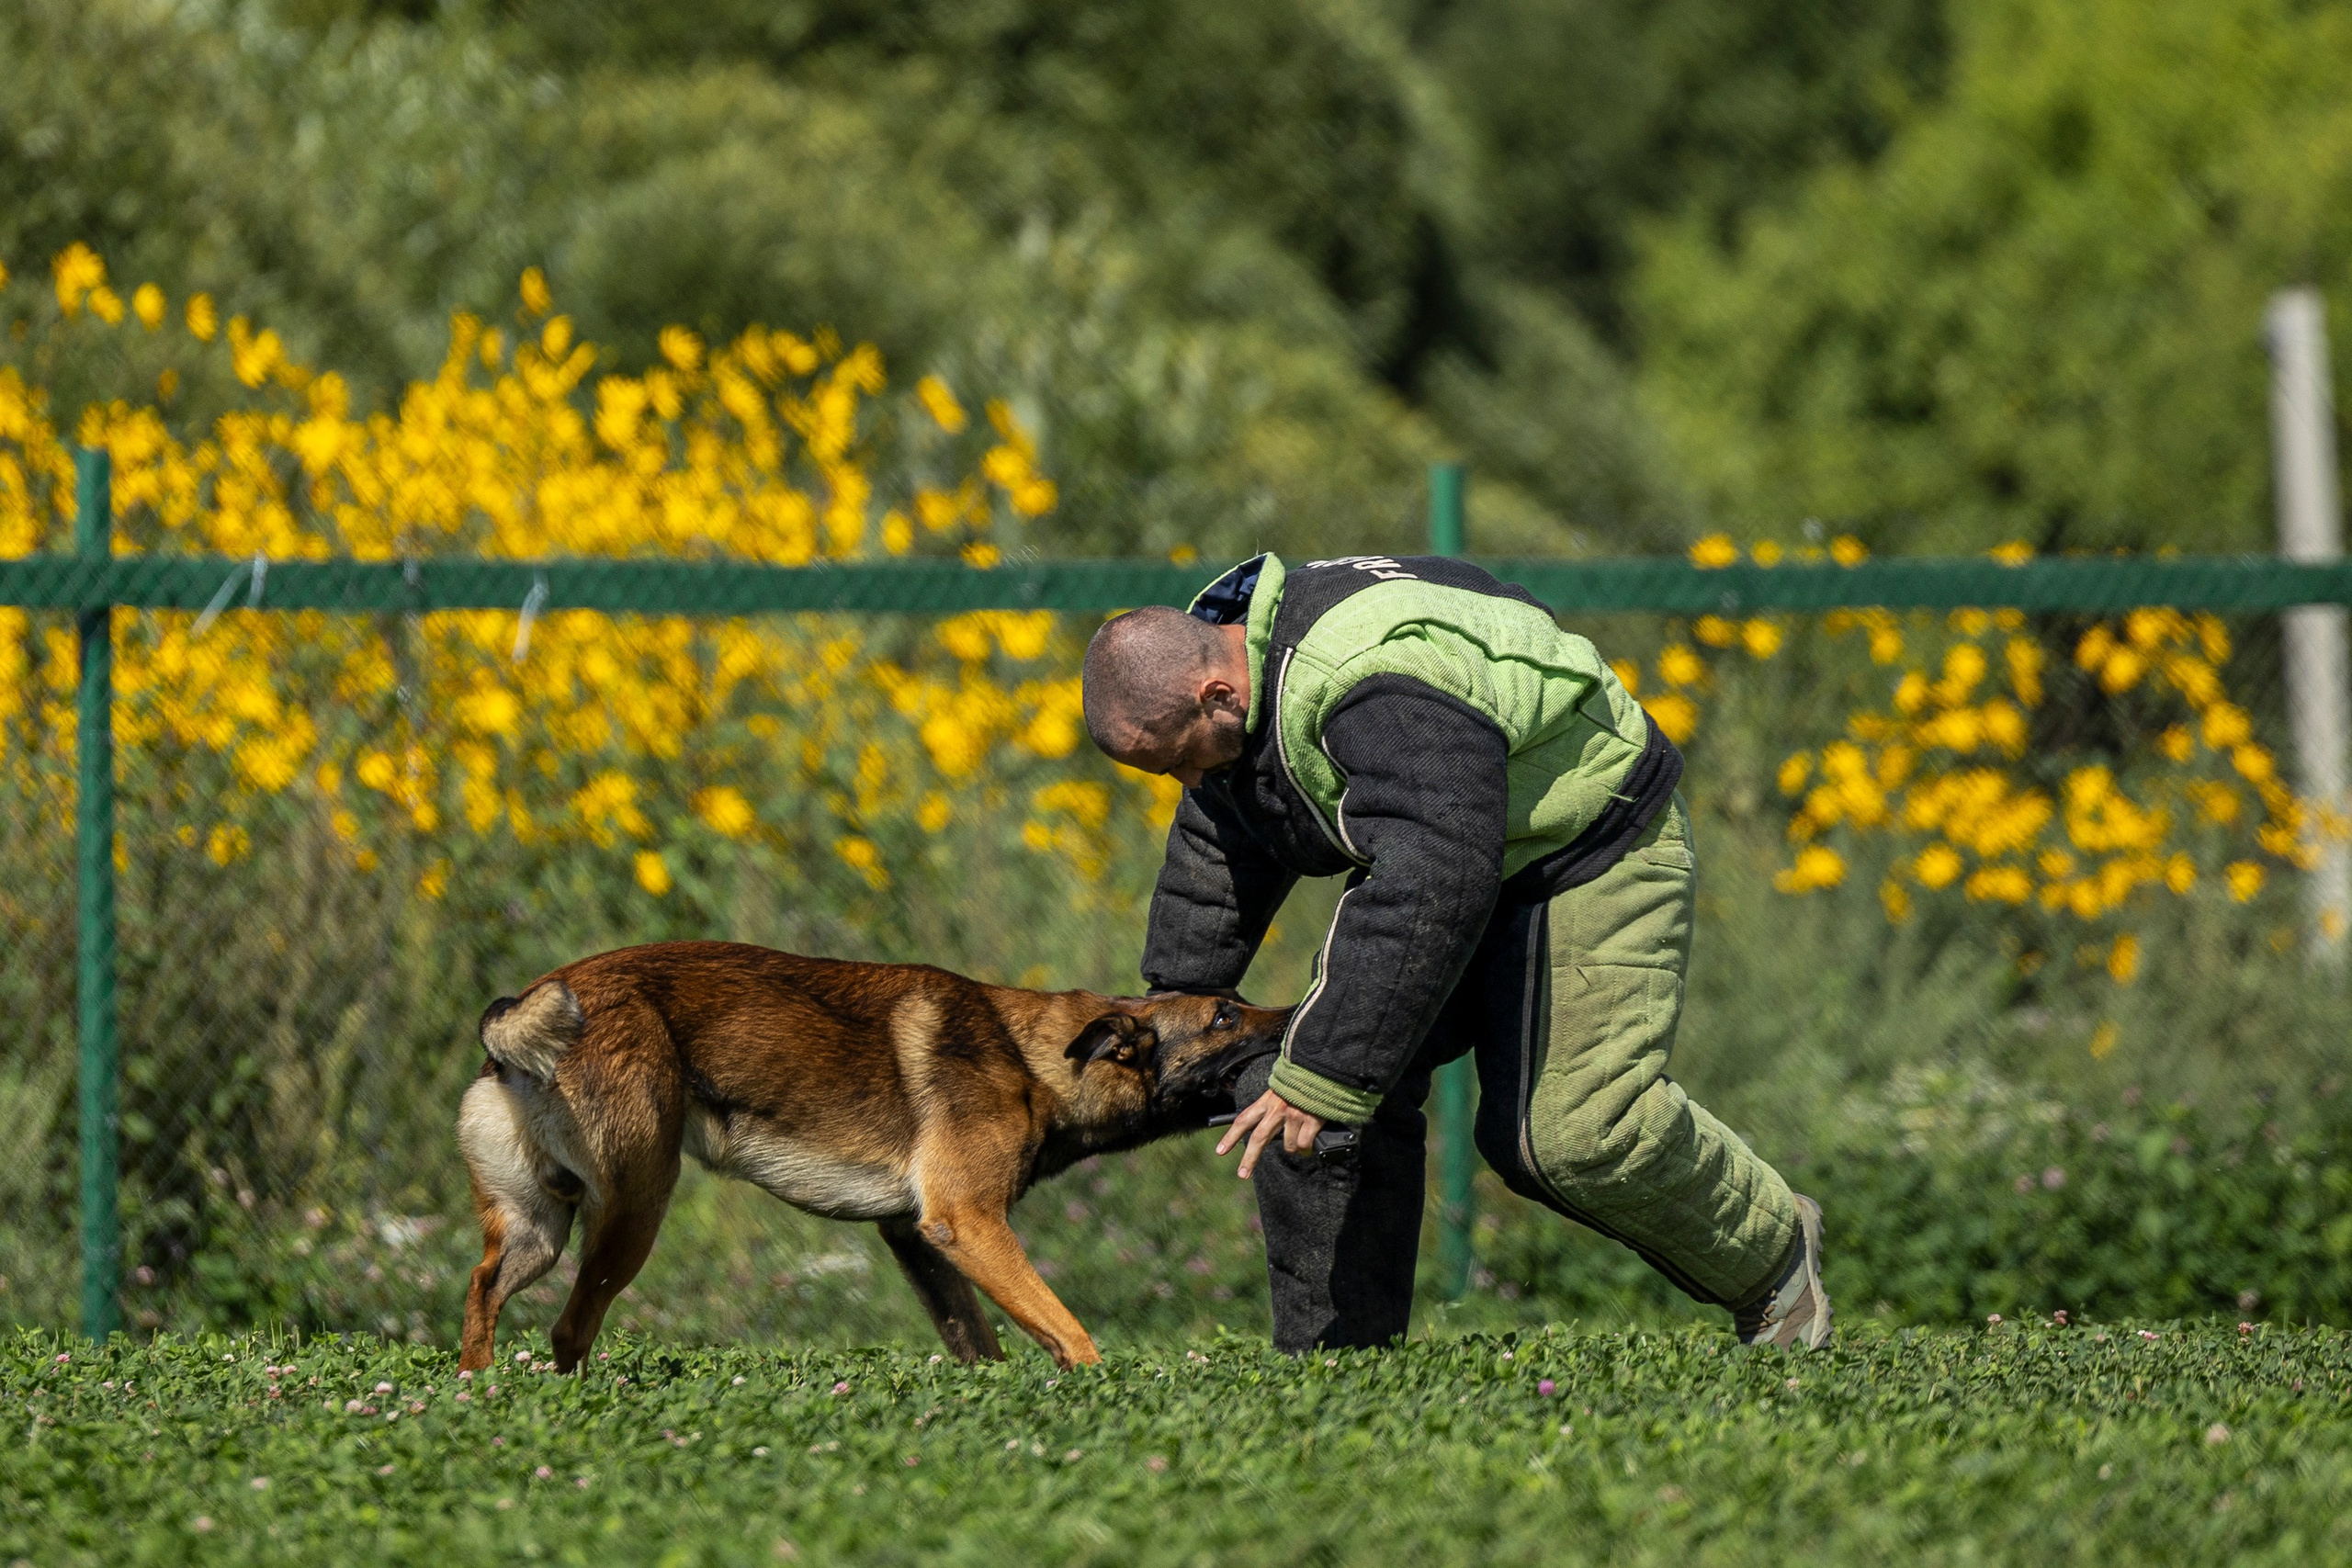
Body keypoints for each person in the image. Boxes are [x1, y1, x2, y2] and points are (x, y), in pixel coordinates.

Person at [1081, 551, 1830, 1351]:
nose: (1189, 782)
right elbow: (1224, 837)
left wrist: (1329, 1067)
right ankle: (1339, 1370)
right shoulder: (1245, 681)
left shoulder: (1366, 685)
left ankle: (1771, 1251)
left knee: (1565, 1138)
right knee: (1286, 1082)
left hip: (1590, 843)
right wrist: (1173, 1011)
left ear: (1216, 694)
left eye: (1181, 758)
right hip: (1461, 857)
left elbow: (1432, 872)